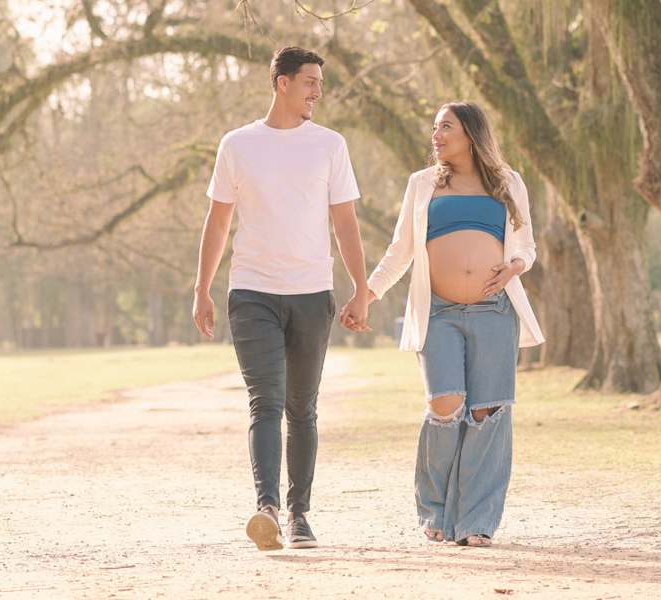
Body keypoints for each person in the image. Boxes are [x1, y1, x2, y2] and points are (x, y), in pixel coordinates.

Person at [192, 46, 369, 552]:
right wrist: (201, 288)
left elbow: (345, 222)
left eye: (320, 83)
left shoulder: (330, 145)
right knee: (264, 401)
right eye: (310, 81)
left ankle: (299, 514)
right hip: (251, 293)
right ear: (282, 83)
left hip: (312, 294)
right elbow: (218, 221)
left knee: (302, 408)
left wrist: (359, 288)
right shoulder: (238, 144)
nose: (318, 91)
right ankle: (266, 507)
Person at [343, 101, 544, 547]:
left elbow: (527, 242)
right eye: (434, 127)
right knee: (445, 407)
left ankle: (476, 522)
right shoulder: (422, 185)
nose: (435, 135)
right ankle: (435, 511)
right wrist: (366, 295)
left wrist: (515, 264)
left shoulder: (507, 182)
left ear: (470, 134)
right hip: (438, 312)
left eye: (445, 127)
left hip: (495, 311)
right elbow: (401, 251)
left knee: (486, 412)